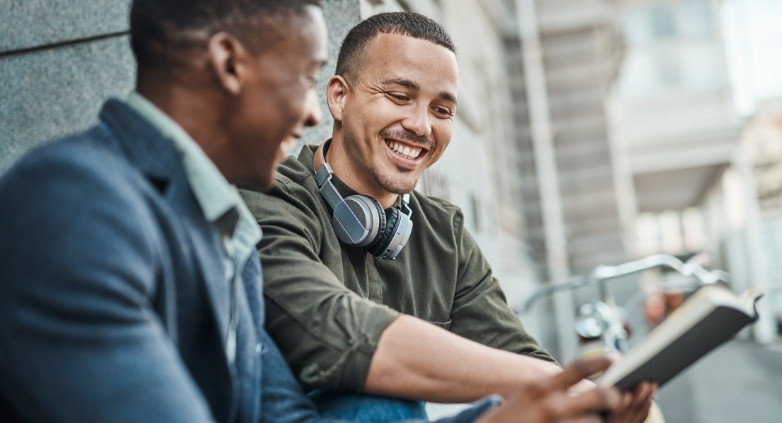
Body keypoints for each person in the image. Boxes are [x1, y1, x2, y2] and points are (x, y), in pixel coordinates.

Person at [0, 1, 647, 423]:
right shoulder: (73, 199)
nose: (310, 114)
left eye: (443, 109)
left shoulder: (219, 226)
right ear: (229, 64)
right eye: (304, 75)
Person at [240, 10, 655, 423]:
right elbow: (335, 334)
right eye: (400, 96)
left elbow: (514, 354)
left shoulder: (445, 233)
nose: (421, 125)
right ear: (338, 97)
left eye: (442, 109)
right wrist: (546, 380)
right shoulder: (267, 197)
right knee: (381, 406)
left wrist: (583, 404)